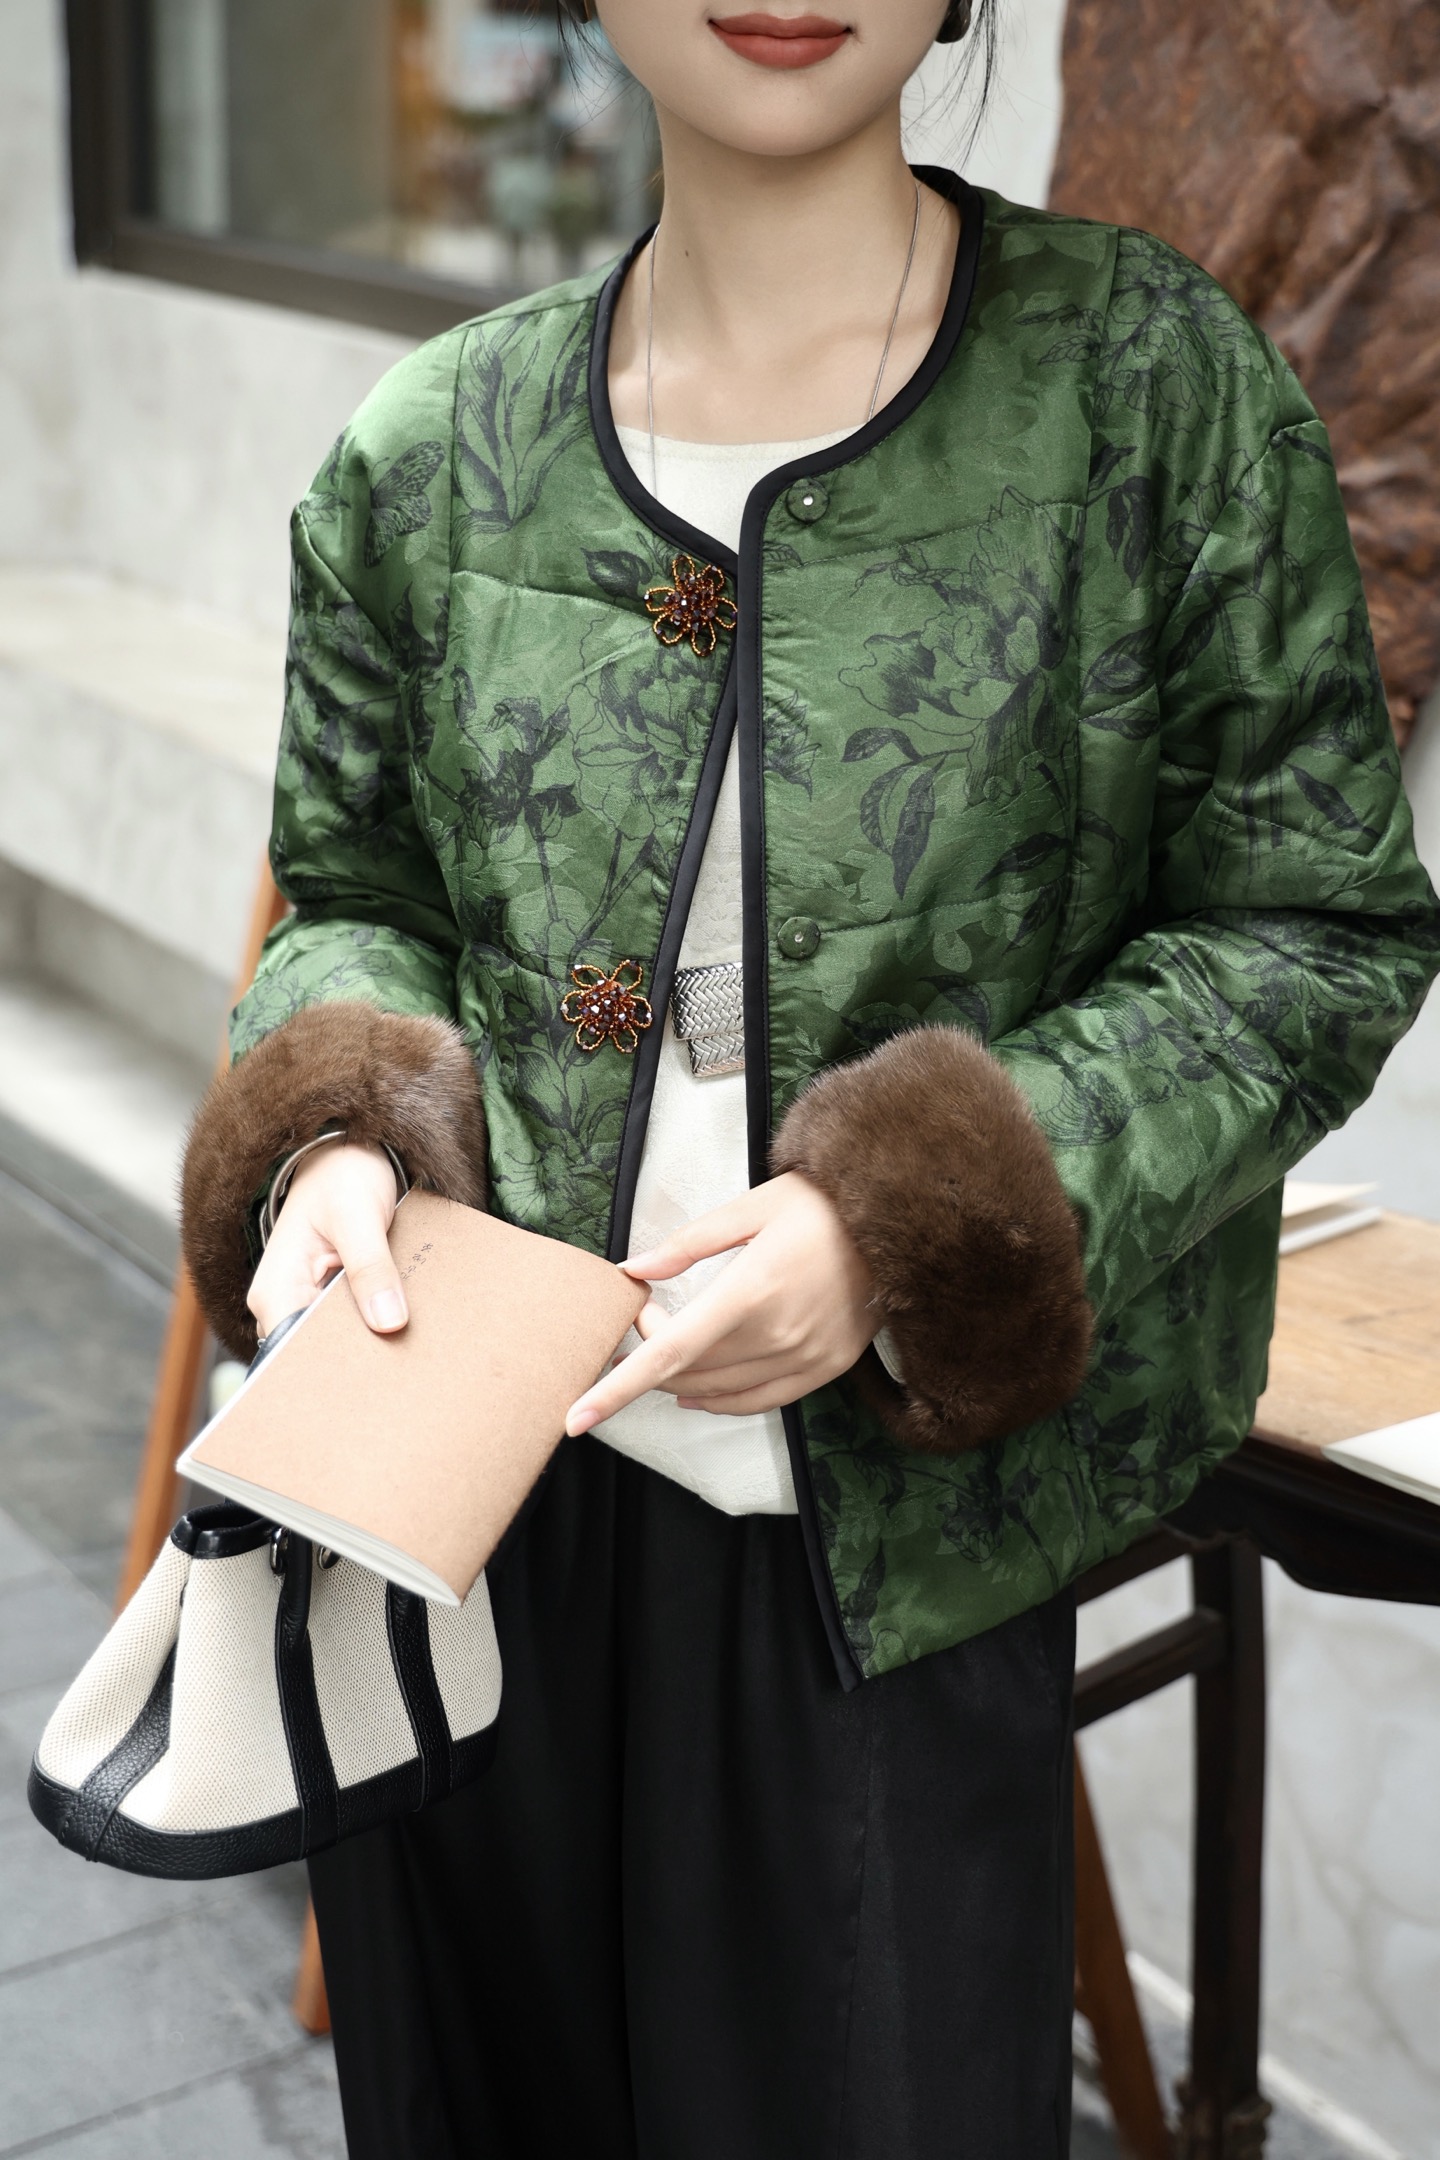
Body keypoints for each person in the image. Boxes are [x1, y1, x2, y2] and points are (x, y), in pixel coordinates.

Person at [179, 2, 1440, 2153]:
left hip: (885, 1568)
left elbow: (1308, 930)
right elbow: (354, 895)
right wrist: (335, 1133)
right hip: (455, 1518)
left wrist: (904, 1220)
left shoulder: (1148, 391)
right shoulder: (429, 446)